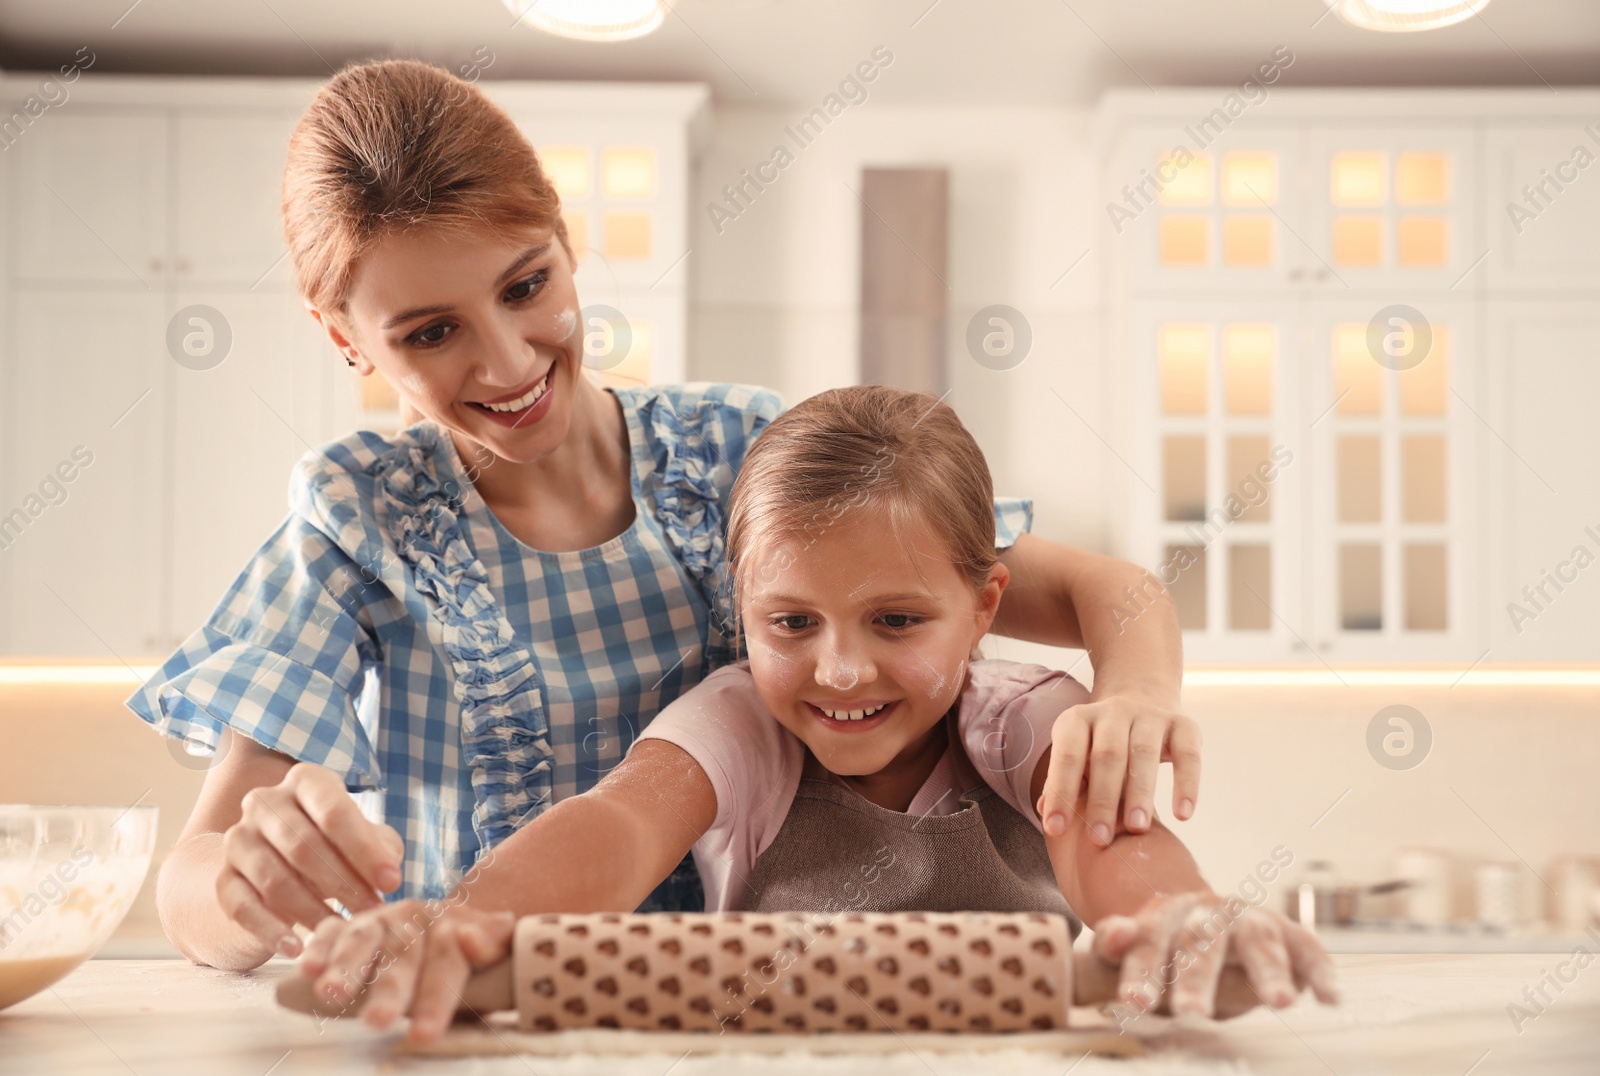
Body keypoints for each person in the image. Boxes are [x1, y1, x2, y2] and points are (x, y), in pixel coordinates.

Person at [127, 59, 1201, 974]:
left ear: (563, 237)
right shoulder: (356, 515)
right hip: (482, 999)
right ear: (345, 337)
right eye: (428, 332)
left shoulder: (734, 451)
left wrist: (1135, 700)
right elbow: (193, 881)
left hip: (711, 1000)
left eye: (525, 284)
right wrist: (245, 886)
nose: (505, 362)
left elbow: (1111, 591)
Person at [288, 386, 1335, 1044]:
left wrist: (1174, 915)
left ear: (983, 608)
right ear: (740, 607)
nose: (839, 667)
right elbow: (616, 824)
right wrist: (466, 912)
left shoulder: (1027, 718)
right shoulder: (740, 723)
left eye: (895, 618)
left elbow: (1114, 850)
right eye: (790, 620)